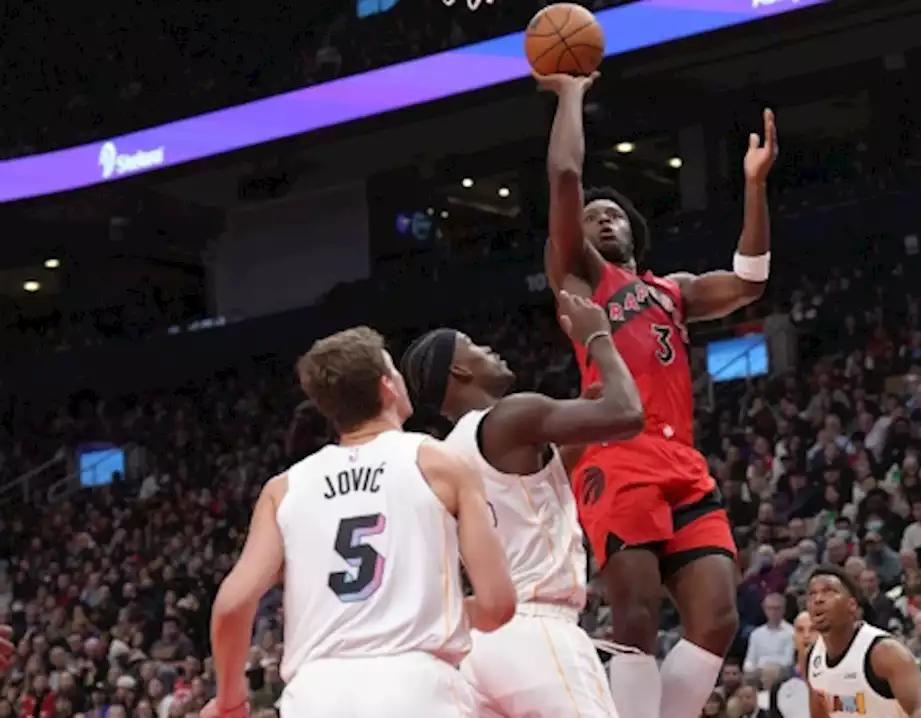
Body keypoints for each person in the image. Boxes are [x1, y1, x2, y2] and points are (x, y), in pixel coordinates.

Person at [536, 70, 780, 718]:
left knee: (719, 618)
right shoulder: (582, 278)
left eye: (612, 214)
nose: (601, 221)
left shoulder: (672, 290)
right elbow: (564, 178)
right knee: (636, 622)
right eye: (591, 218)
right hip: (616, 454)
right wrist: (569, 95)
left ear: (633, 230)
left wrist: (754, 185)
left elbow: (751, 281)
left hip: (683, 462)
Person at [198, 326, 517, 718]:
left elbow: (232, 604)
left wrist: (230, 700)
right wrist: (426, 610)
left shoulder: (283, 489)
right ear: (388, 388)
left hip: (315, 694)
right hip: (416, 686)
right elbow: (498, 604)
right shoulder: (442, 463)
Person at [399, 291, 644, 718]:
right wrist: (599, 337)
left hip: (481, 647)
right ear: (459, 369)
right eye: (474, 345)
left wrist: (574, 442)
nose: (489, 349)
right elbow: (627, 413)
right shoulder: (512, 415)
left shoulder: (446, 455)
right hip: (537, 627)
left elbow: (526, 499)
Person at [803, 566, 921, 718]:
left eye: (829, 591)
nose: (818, 599)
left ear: (852, 606)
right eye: (812, 594)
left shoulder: (884, 652)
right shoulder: (811, 658)